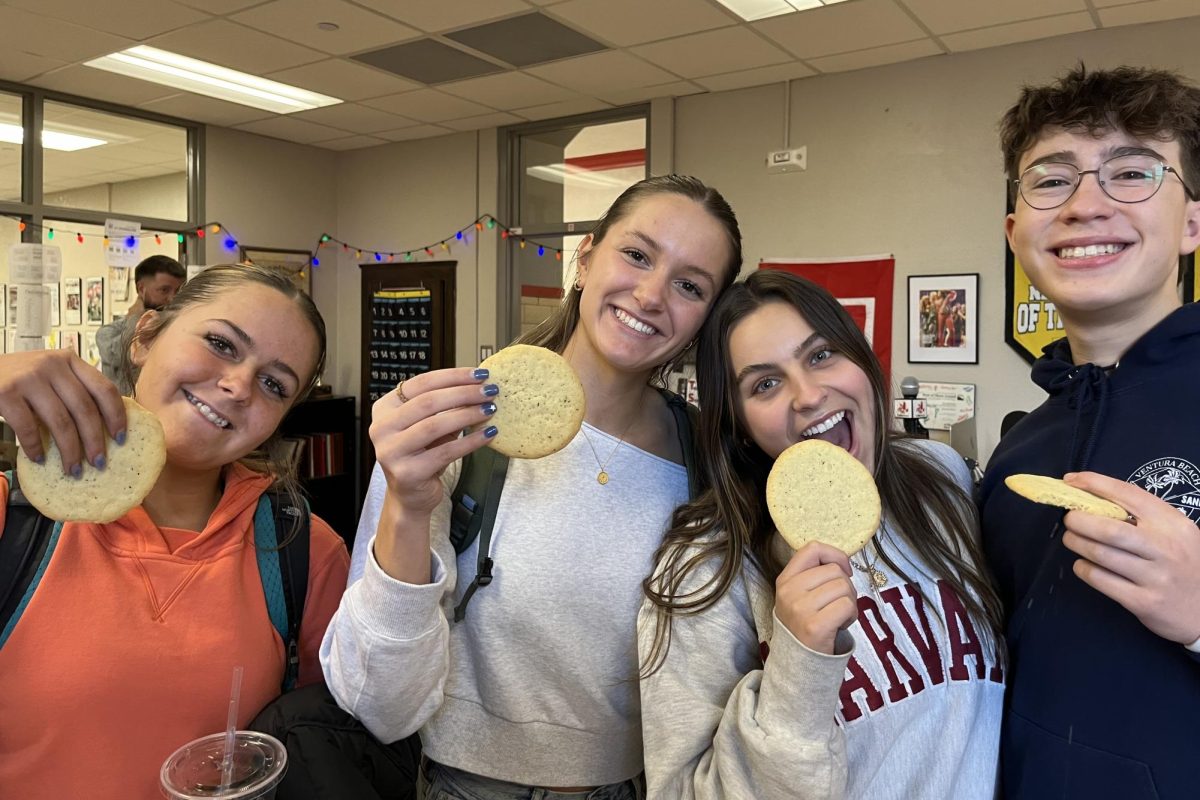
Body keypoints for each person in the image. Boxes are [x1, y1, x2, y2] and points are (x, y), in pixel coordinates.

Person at [321, 175, 742, 798]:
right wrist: (408, 507)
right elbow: (380, 703)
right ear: (585, 258)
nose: (652, 294)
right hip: (469, 786)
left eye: (689, 285)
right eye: (636, 254)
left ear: (706, 316)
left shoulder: (709, 462)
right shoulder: (457, 427)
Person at [639, 269, 1005, 799]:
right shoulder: (704, 572)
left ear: (861, 358)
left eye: (820, 355)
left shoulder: (941, 478)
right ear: (738, 423)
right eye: (765, 383)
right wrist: (796, 667)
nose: (807, 395)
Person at [0, 263, 350, 799]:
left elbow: (325, 741)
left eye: (274, 384)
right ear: (145, 337)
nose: (236, 386)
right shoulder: (14, 520)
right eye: (221, 343)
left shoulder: (304, 551)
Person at [981, 65, 1200, 798]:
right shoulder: (1017, 453)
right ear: (1015, 231)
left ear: (1193, 222)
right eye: (1050, 180)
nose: (1085, 204)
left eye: (1131, 172)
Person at [96, 253, 186, 394]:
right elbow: (125, 356)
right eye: (164, 290)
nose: (173, 298)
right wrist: (135, 319)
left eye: (179, 290)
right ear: (141, 289)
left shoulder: (180, 330)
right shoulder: (108, 333)